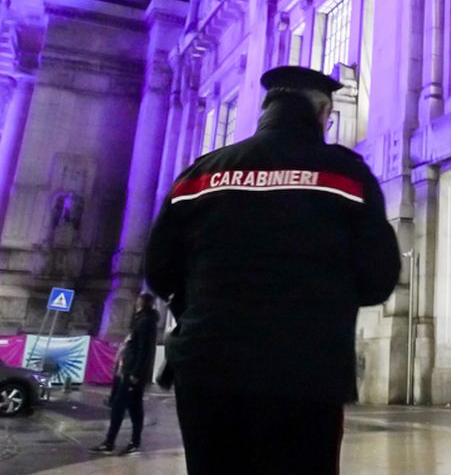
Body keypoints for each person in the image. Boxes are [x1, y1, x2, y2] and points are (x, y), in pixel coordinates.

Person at [144, 66, 401, 475]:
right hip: (307, 371)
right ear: (321, 113)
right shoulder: (348, 176)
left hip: (208, 366)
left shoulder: (201, 174)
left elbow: (158, 270)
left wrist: (202, 304)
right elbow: (378, 279)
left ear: (267, 110)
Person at [91, 292, 158, 456]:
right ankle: (133, 442)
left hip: (132, 372)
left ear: (143, 302)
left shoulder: (145, 322)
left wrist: (136, 373)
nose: (136, 302)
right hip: (129, 369)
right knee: (134, 407)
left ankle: (110, 442)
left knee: (119, 406)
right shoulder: (141, 320)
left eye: (139, 300)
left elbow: (144, 349)